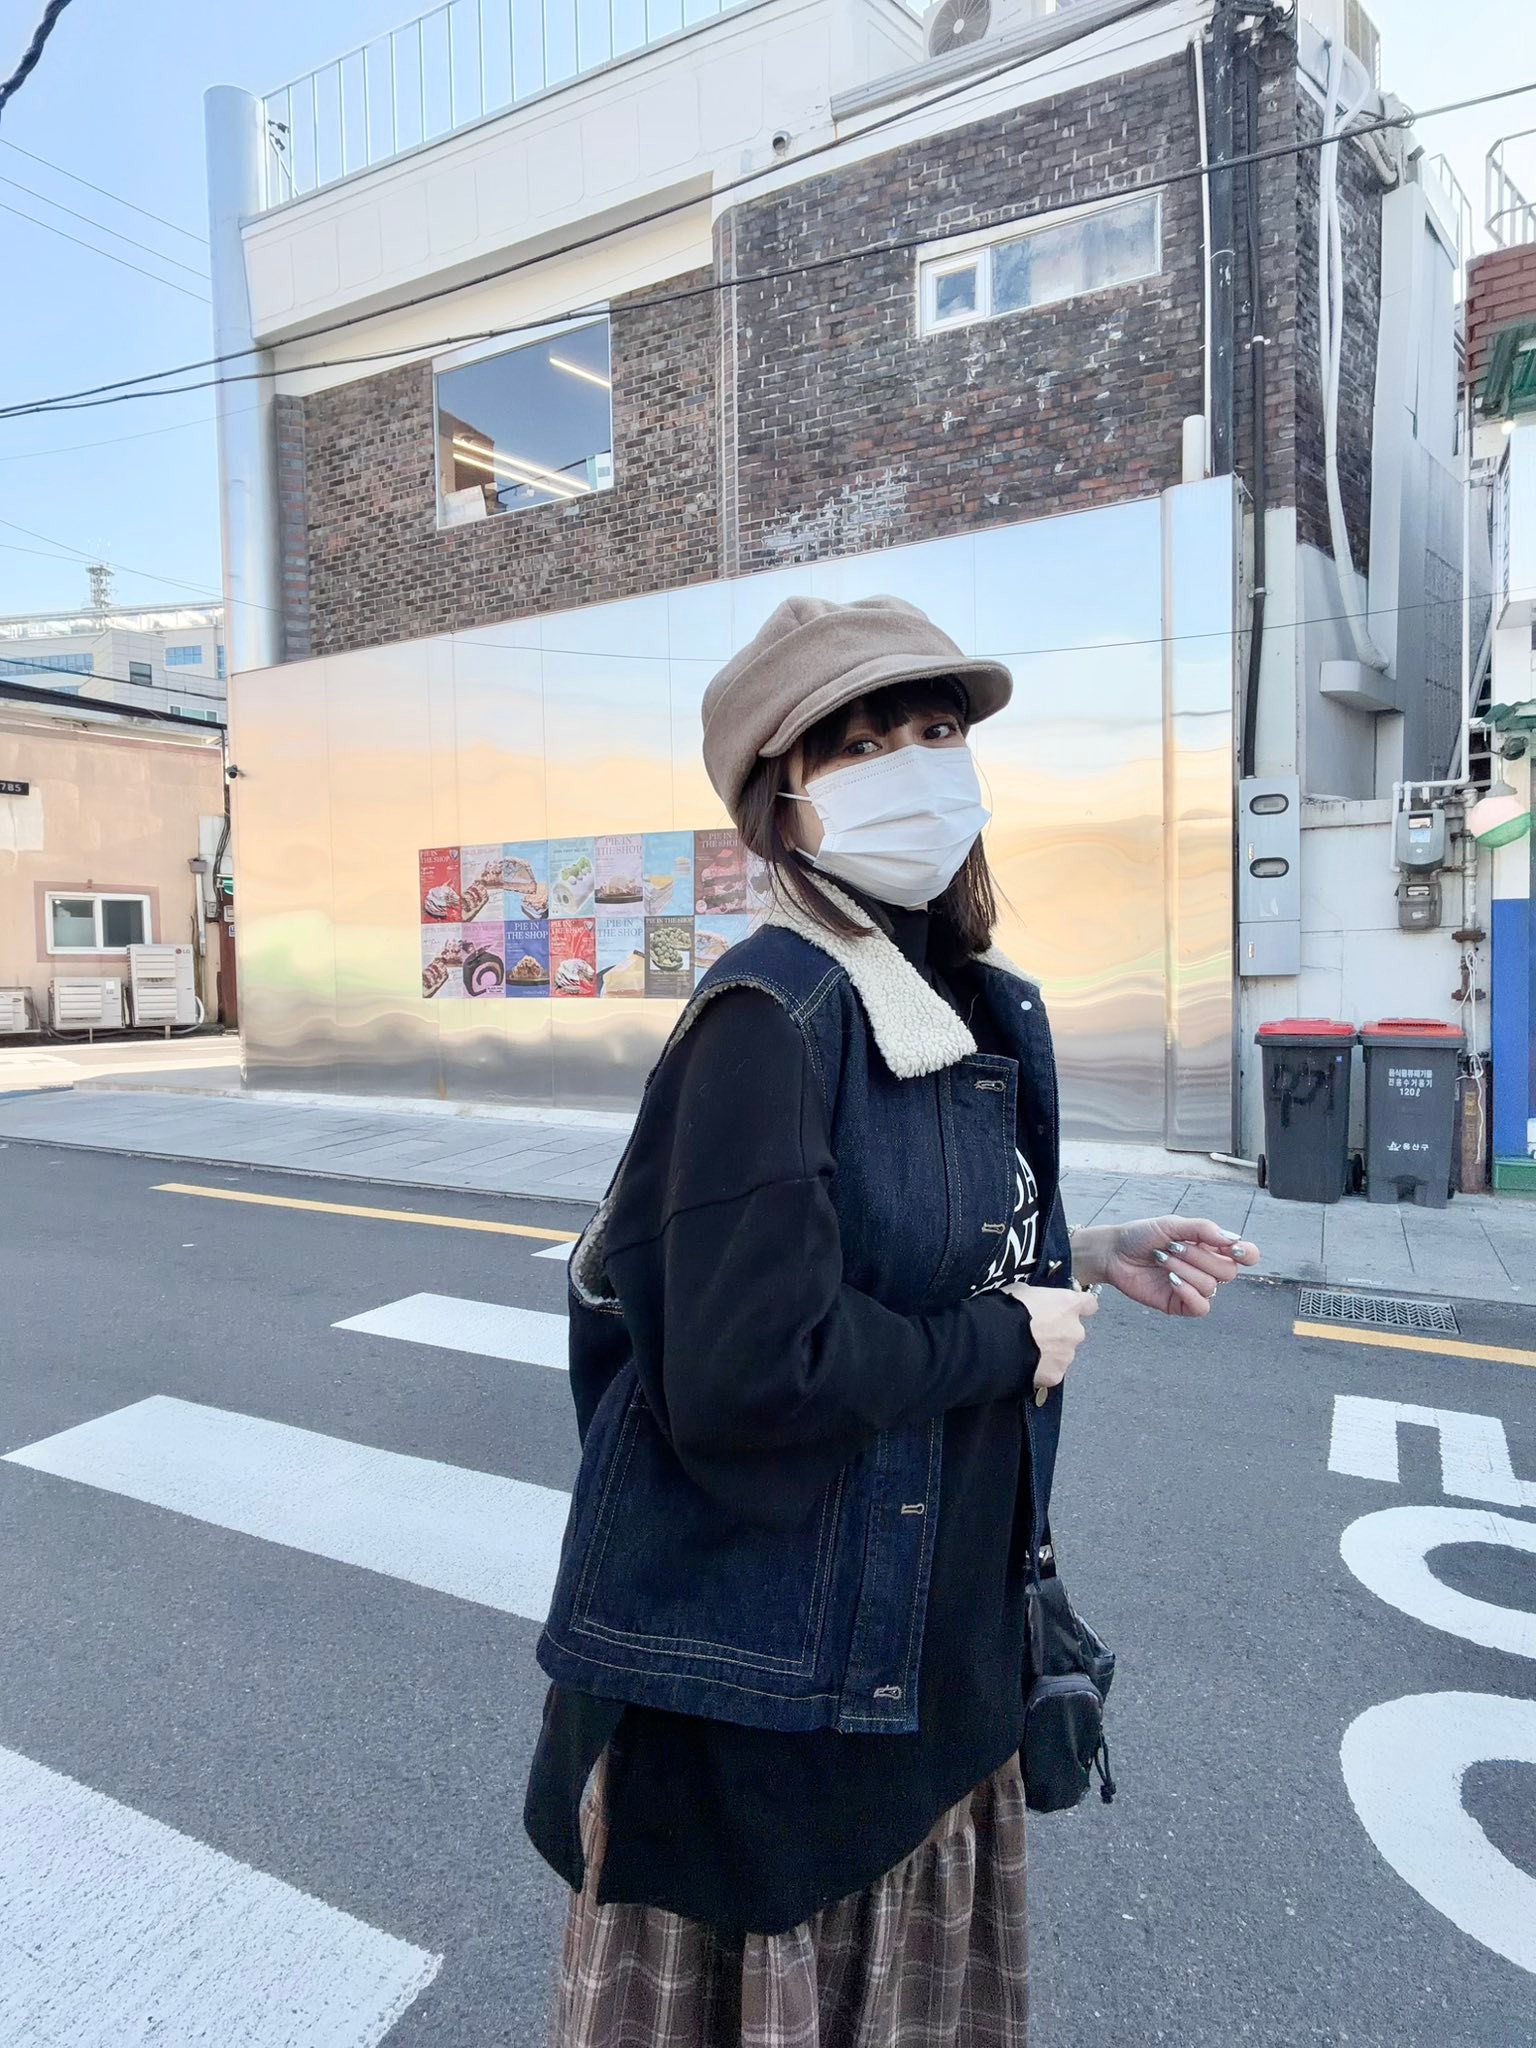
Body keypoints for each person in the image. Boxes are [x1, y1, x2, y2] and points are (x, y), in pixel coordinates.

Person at [526, 595, 1259, 2047]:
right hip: (782, 1722)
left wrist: (1080, 1253)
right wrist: (1006, 1341)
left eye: (933, 730)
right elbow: (749, 1372)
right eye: (859, 746)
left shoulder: (945, 1000)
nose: (915, 765)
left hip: (926, 1673)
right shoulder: (775, 1016)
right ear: (783, 804)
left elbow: (890, 1246)